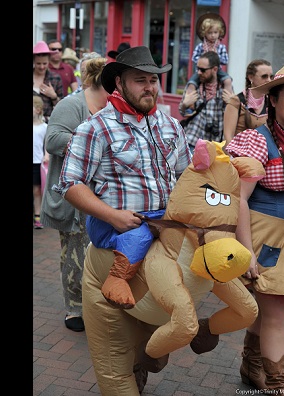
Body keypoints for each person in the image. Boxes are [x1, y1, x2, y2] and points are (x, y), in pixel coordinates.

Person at [53, 46, 191, 395]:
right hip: (114, 250)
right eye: (140, 80)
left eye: (154, 80)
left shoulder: (169, 124)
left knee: (152, 342)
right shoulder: (95, 128)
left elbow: (186, 177)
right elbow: (70, 184)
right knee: (117, 358)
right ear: (119, 83)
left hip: (164, 246)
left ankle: (142, 362)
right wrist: (111, 215)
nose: (150, 87)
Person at [225, 64, 284, 393]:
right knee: (279, 314)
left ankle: (251, 366)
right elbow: (238, 199)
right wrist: (246, 251)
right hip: (266, 239)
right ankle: (278, 388)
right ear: (274, 101)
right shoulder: (256, 141)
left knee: (265, 310)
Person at [41, 56, 110, 332]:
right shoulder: (71, 105)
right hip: (73, 196)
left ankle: (95, 304)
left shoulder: (110, 107)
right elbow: (53, 140)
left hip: (102, 196)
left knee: (98, 253)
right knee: (74, 255)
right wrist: (89, 140)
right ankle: (75, 309)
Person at [178, 51, 231, 152]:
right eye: (197, 69)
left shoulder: (225, 88)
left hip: (216, 143)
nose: (198, 72)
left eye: (202, 70)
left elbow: (231, 116)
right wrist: (184, 105)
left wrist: (230, 103)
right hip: (193, 141)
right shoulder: (193, 87)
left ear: (215, 69)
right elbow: (183, 113)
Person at [223, 59, 273, 145]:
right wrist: (233, 157)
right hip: (237, 154)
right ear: (251, 77)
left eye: (271, 77)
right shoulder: (236, 101)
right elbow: (228, 137)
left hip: (262, 156)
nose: (269, 80)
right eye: (264, 76)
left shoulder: (271, 103)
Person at [185, 13, 233, 96]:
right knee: (191, 83)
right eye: (210, 33)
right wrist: (203, 59)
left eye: (215, 32)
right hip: (201, 71)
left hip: (217, 70)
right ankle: (190, 102)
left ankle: (229, 99)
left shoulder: (221, 47)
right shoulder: (201, 46)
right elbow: (194, 58)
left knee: (228, 80)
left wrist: (216, 56)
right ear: (205, 33)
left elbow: (225, 60)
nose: (213, 35)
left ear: (219, 33)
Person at [33, 41, 64, 122]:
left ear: (49, 62)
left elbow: (62, 107)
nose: (42, 67)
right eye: (38, 63)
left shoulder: (55, 78)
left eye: (44, 63)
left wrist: (54, 96)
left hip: (47, 123)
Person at [33, 95, 49, 229]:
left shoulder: (44, 127)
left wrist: (46, 155)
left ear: (38, 110)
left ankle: (38, 215)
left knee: (38, 190)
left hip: (38, 162)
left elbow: (47, 143)